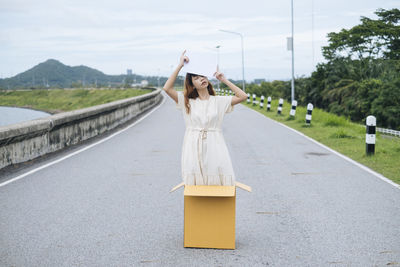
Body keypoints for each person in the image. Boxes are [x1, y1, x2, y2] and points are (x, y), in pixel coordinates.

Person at [163, 50, 247, 186]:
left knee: (217, 175)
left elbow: (243, 96)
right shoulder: (186, 101)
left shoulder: (219, 101)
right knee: (195, 178)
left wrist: (223, 79)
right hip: (192, 143)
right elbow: (167, 88)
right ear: (192, 85)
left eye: (203, 76)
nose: (201, 79)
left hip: (215, 143)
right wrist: (180, 65)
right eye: (196, 78)